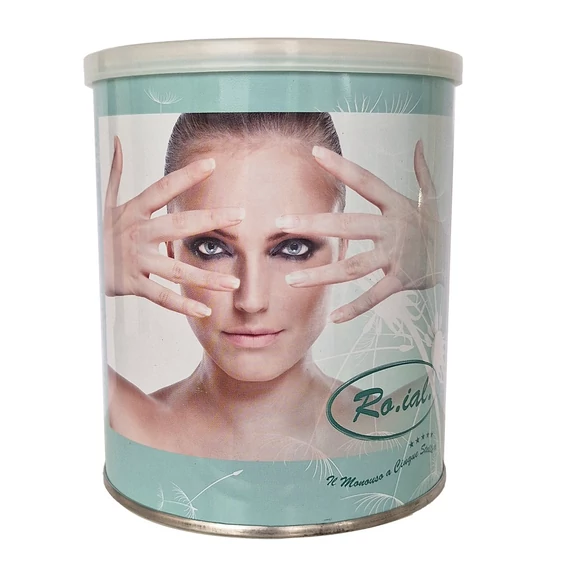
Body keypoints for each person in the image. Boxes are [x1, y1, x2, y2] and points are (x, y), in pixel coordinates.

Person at [103, 112, 441, 461]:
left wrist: (444, 262)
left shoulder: (403, 429)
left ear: (341, 249)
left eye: (293, 248)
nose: (251, 301)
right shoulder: (121, 420)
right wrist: (88, 266)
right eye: (212, 248)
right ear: (171, 251)